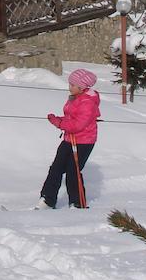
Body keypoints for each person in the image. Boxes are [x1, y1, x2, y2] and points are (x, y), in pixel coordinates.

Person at [37, 68, 100, 209]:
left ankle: (78, 202)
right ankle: (47, 199)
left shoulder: (87, 102)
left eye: (72, 85)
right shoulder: (75, 97)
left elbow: (78, 124)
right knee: (56, 168)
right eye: (70, 84)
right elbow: (71, 119)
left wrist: (59, 123)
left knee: (73, 171)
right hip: (69, 138)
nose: (69, 87)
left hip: (83, 141)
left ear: (82, 87)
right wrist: (59, 119)